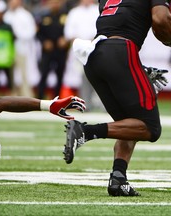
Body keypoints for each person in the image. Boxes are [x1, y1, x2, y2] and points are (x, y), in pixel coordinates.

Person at [63, 0, 170, 197]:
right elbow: (160, 20)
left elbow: (118, 21)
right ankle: (85, 131)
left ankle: (118, 178)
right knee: (150, 127)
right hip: (121, 51)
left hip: (96, 54)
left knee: (129, 123)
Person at [64, 0, 104, 111]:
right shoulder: (74, 12)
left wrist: (92, 42)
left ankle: (103, 104)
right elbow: (69, 33)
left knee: (101, 76)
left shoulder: (98, 10)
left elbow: (102, 29)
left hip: (96, 47)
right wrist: (81, 45)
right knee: (84, 77)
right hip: (80, 50)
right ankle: (86, 104)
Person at [4, 0, 38, 97]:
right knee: (10, 75)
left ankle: (26, 95)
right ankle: (13, 95)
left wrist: (17, 35)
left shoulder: (25, 15)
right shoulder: (7, 15)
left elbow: (31, 32)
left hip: (21, 48)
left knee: (23, 73)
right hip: (8, 50)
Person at [36, 0, 69, 99]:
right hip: (47, 50)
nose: (55, 5)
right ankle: (40, 97)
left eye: (57, 2)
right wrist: (44, 42)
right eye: (52, 2)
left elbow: (71, 30)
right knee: (44, 73)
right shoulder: (43, 17)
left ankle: (57, 98)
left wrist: (65, 39)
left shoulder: (66, 16)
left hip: (61, 50)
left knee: (60, 74)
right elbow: (38, 33)